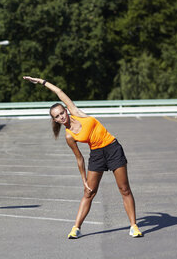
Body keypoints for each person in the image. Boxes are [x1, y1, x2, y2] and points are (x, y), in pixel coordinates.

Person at [23, 76, 143, 239]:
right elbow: (79, 158)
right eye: (57, 117)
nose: (61, 117)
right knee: (88, 193)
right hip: (97, 155)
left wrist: (41, 82)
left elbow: (59, 91)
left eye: (61, 113)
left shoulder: (76, 112)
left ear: (66, 110)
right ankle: (76, 228)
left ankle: (134, 226)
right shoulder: (69, 136)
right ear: (55, 120)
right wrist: (83, 180)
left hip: (113, 148)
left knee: (124, 189)